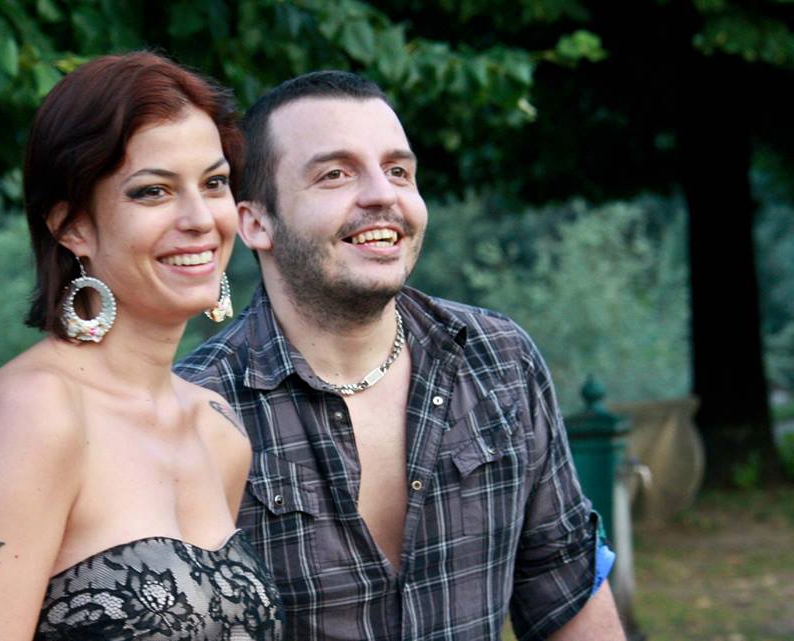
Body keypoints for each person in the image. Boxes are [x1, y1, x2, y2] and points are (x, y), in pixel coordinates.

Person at [176, 71, 626, 640]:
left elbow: (564, 584)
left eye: (398, 171)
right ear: (256, 222)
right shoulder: (194, 409)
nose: (382, 195)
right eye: (335, 174)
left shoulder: (499, 361)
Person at [0, 52, 282, 641]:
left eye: (214, 183)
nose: (200, 218)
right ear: (72, 225)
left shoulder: (217, 428)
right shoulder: (36, 411)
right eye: (153, 191)